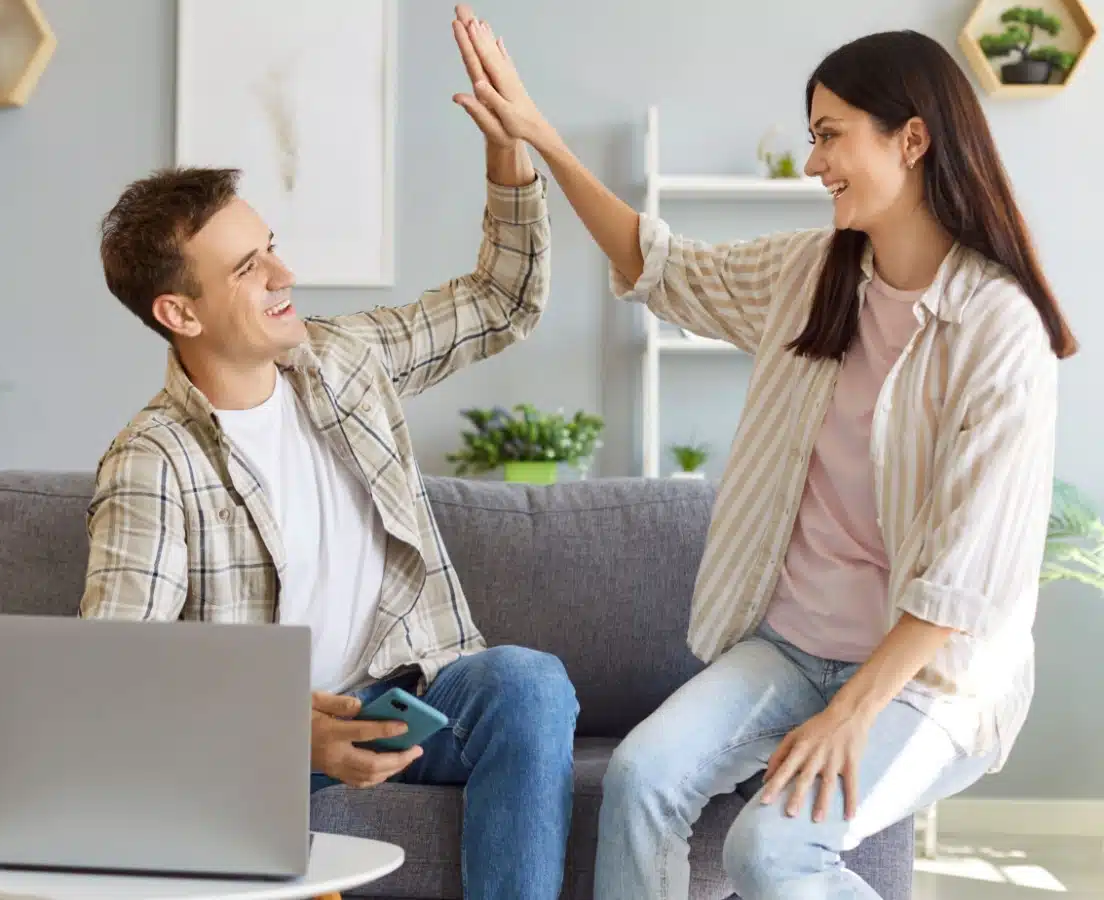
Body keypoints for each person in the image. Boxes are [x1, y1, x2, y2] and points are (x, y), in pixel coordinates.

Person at [450, 7, 1074, 899]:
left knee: (772, 851)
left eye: (831, 136)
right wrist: (542, 136)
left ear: (913, 139)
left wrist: (851, 714)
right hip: (790, 647)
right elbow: (661, 266)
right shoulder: (811, 277)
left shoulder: (997, 329)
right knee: (638, 779)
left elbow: (966, 582)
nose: (815, 161)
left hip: (924, 681)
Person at [78, 12, 578, 898]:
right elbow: (118, 678)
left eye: (270, 247)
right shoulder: (153, 460)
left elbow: (504, 301)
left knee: (528, 684)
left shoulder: (343, 359)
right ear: (179, 314)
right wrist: (278, 730)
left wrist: (510, 152)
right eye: (248, 269)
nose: (284, 274)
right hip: (266, 746)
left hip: (414, 702)